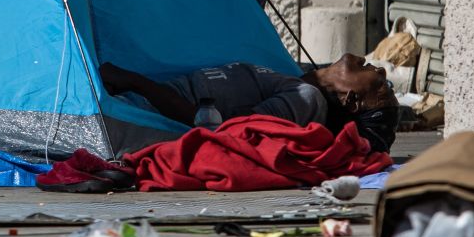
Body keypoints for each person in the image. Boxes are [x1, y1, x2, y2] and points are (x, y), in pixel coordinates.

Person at [100, 53, 399, 152]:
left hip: (134, 118)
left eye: (381, 87)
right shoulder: (296, 82)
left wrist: (135, 81)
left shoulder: (306, 100)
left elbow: (225, 131)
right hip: (133, 104)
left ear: (351, 101)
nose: (382, 71)